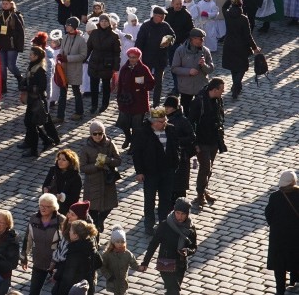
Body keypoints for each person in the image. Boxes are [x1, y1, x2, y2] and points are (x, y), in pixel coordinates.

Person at [132, 107, 181, 236]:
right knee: (150, 200)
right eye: (160, 121)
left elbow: (176, 146)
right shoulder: (142, 133)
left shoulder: (170, 129)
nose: (164, 123)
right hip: (150, 172)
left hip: (168, 171)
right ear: (152, 122)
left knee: (165, 199)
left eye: (165, 120)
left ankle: (164, 224)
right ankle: (149, 225)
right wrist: (139, 172)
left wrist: (176, 161)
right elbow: (136, 154)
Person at [138, 198, 197, 295]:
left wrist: (188, 251)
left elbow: (194, 246)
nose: (180, 216)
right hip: (166, 264)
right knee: (174, 292)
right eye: (177, 213)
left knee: (171, 291)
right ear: (174, 211)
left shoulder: (190, 228)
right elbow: (153, 244)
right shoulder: (165, 225)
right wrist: (145, 262)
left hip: (180, 265)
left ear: (187, 214)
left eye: (183, 214)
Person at [188, 78, 226, 208]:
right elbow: (191, 122)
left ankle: (204, 190)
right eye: (221, 89)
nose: (223, 91)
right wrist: (194, 143)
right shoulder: (199, 102)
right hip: (201, 140)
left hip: (214, 139)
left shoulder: (218, 100)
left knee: (209, 168)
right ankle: (199, 194)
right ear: (214, 90)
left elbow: (220, 116)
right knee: (205, 167)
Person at [80, 120, 121, 233]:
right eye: (95, 134)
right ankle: (96, 230)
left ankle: (100, 221)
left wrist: (107, 160)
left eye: (100, 133)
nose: (97, 136)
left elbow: (118, 161)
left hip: (107, 181)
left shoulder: (110, 144)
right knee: (92, 209)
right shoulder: (86, 148)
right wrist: (97, 166)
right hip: (92, 183)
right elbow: (82, 167)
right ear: (91, 134)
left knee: (109, 206)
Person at [20, 193, 64, 295]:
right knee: (33, 292)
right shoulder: (33, 218)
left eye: (47, 206)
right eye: (41, 205)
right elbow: (28, 239)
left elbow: (66, 242)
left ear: (53, 207)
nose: (43, 209)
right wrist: (24, 258)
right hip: (39, 260)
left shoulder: (61, 220)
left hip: (55, 263)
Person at [265, 170, 299, 295]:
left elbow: (269, 215)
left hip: (278, 238)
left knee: (280, 265)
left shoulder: (275, 197)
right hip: (296, 237)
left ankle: (280, 290)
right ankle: (294, 281)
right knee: (295, 259)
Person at [135, 6, 175, 108]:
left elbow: (173, 36)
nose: (162, 19)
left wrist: (169, 42)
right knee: (143, 81)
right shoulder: (146, 26)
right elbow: (139, 42)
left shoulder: (165, 26)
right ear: (154, 16)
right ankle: (141, 101)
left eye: (163, 17)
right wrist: (137, 56)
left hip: (160, 58)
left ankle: (156, 104)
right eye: (160, 16)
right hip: (147, 58)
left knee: (158, 83)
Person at [222, 0, 260, 99]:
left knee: (234, 68)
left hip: (229, 45)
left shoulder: (228, 14)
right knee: (242, 67)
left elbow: (223, 7)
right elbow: (248, 36)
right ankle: (236, 85)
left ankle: (237, 87)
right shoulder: (244, 19)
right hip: (241, 46)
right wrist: (255, 48)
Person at [170, 28, 213, 114]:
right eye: (200, 39)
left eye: (203, 39)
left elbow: (210, 69)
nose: (202, 41)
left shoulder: (205, 51)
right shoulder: (180, 51)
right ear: (192, 39)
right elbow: (174, 68)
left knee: (201, 112)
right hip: (186, 87)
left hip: (201, 86)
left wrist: (203, 65)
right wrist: (188, 71)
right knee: (185, 111)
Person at [54, 17, 88, 122]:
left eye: (68, 25)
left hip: (75, 70)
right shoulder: (65, 37)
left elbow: (83, 55)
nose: (66, 26)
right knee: (62, 93)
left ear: (73, 27)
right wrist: (60, 56)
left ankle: (79, 112)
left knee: (76, 92)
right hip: (64, 69)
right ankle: (60, 116)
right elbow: (62, 50)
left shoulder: (81, 40)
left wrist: (68, 58)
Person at [86, 14, 120, 114]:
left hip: (107, 63)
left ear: (109, 22)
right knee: (94, 85)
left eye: (105, 21)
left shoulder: (114, 36)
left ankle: (104, 104)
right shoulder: (94, 33)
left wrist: (116, 66)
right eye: (102, 21)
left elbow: (117, 52)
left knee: (106, 85)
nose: (103, 23)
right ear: (99, 22)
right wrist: (84, 58)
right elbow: (89, 47)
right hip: (95, 61)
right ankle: (94, 105)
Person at [42, 149, 82, 215]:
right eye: (59, 159)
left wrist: (62, 197)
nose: (60, 162)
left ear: (70, 162)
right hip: (49, 206)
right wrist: (45, 189)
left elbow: (75, 197)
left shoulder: (75, 177)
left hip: (65, 210)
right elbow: (45, 184)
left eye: (64, 160)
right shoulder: (53, 170)